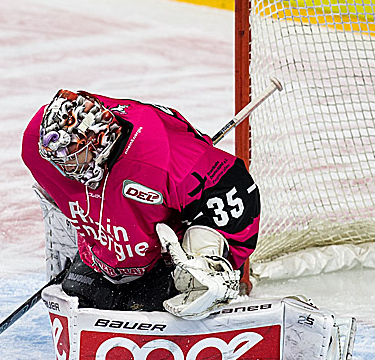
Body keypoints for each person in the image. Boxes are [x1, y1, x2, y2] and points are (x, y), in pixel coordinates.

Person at [22, 89, 260, 319]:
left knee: (146, 306)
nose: (65, 169)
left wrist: (210, 265)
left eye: (73, 157)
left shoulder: (165, 158)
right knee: (80, 291)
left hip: (161, 264)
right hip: (102, 260)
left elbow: (238, 191)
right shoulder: (39, 142)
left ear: (99, 141)